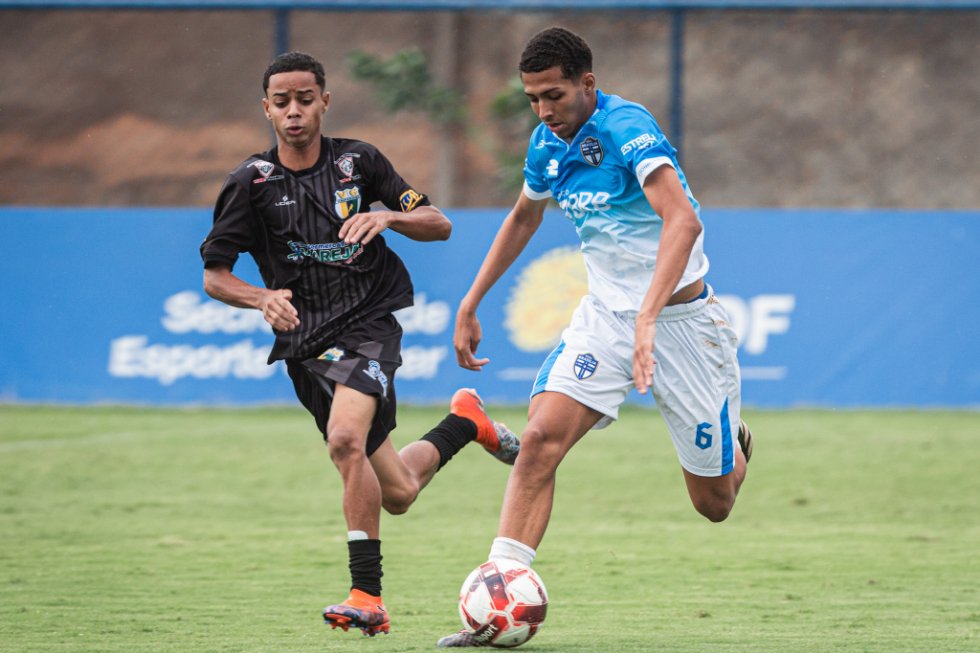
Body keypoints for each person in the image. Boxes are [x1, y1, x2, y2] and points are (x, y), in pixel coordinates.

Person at [437, 27, 753, 647]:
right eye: (532, 98)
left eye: (553, 95)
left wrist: (649, 317)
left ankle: (734, 443)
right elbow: (525, 215)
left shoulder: (625, 125)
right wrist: (472, 299)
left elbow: (683, 221)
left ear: (587, 82)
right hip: (607, 320)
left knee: (714, 503)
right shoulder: (545, 144)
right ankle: (498, 598)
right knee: (538, 443)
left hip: (684, 326)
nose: (543, 110)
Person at [199, 51, 520, 638]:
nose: (293, 112)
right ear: (265, 109)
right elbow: (215, 275)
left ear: (325, 101)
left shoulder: (359, 161)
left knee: (345, 439)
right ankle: (466, 423)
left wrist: (389, 219)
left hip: (369, 323)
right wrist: (260, 297)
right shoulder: (251, 183)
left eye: (304, 99)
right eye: (281, 102)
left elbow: (439, 221)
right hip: (304, 343)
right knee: (397, 490)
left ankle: (366, 596)